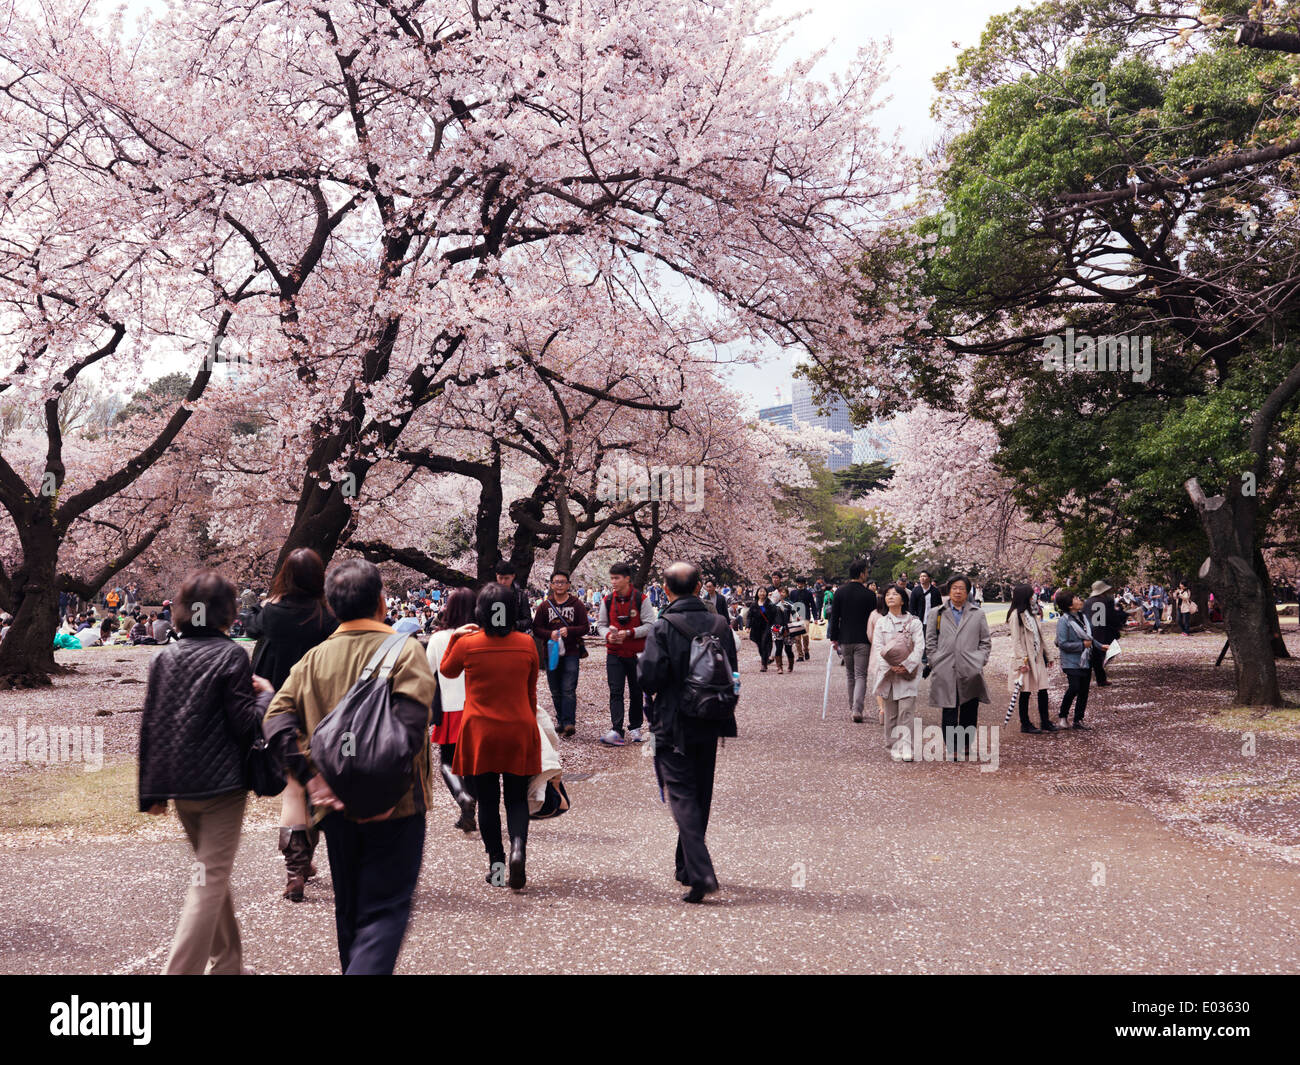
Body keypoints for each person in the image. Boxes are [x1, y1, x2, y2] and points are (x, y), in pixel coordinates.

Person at [264, 559, 437, 975]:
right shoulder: (406, 652)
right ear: (381, 602)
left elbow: (275, 717)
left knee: (350, 913)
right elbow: (411, 729)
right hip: (398, 807)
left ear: (332, 606)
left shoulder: (313, 660)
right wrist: (386, 792)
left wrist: (310, 777)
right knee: (385, 911)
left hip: (334, 805)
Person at [138, 569, 273, 975]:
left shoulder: (163, 657)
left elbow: (152, 723)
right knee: (208, 880)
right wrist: (266, 698)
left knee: (208, 874)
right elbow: (245, 725)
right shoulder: (231, 655)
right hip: (221, 788)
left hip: (180, 785)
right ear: (228, 613)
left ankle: (228, 965)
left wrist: (151, 792)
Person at [638, 561, 738, 903]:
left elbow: (649, 678)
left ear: (666, 590)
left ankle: (700, 870)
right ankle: (685, 866)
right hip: (711, 717)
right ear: (699, 588)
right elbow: (732, 671)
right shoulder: (720, 624)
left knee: (681, 794)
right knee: (701, 793)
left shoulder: (663, 627)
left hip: (673, 720)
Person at [246, 547, 339, 902]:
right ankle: (304, 862)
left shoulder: (270, 613)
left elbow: (249, 621)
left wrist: (270, 599)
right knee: (308, 782)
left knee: (294, 787)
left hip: (276, 705)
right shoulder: (326, 617)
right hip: (316, 706)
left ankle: (296, 870)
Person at [439, 583, 542, 891]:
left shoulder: (468, 644)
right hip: (518, 727)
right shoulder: (526, 644)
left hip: (480, 732)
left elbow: (446, 671)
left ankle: (497, 866)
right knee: (515, 798)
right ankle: (519, 849)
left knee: (487, 801)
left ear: (480, 612)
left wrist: (456, 636)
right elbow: (531, 690)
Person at [426, 587, 478, 834]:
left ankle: (462, 796)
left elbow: (427, 673)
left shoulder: (438, 639)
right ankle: (471, 807)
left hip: (450, 706)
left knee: (448, 760)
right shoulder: (483, 635)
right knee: (475, 763)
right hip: (479, 708)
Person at [925, 575, 991, 761]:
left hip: (970, 667)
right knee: (949, 707)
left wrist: (979, 661)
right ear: (949, 590)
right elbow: (930, 640)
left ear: (968, 591)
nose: (958, 591)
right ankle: (952, 746)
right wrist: (934, 659)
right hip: (945, 666)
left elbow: (985, 641)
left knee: (970, 707)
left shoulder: (977, 613)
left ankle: (965, 744)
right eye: (954, 587)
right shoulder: (937, 613)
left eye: (962, 588)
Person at [596, 561, 657, 745]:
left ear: (627, 579)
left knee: (636, 690)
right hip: (614, 652)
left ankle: (636, 726)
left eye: (617, 578)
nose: (613, 582)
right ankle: (616, 729)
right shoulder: (607, 600)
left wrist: (631, 632)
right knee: (615, 691)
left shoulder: (641, 599)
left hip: (637, 653)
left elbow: (650, 624)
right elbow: (601, 625)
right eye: (612, 578)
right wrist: (607, 635)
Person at [869, 585, 924, 760]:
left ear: (903, 599)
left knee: (906, 711)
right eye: (887, 594)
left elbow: (919, 647)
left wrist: (907, 665)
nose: (890, 597)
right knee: (891, 711)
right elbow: (878, 647)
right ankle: (892, 745)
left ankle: (907, 746)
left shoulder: (914, 622)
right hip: (889, 673)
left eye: (895, 594)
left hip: (908, 673)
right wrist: (891, 666)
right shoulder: (881, 623)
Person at [531, 569, 589, 738]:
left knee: (569, 688)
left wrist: (569, 631)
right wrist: (550, 634)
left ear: (568, 584)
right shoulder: (545, 606)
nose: (559, 585)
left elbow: (585, 627)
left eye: (563, 582)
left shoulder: (576, 604)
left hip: (571, 651)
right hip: (551, 652)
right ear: (551, 585)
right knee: (555, 689)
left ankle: (569, 722)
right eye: (556, 582)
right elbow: (536, 628)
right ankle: (561, 721)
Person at [828, 560, 878, 723]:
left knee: (850, 675)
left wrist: (834, 637)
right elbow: (873, 619)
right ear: (862, 573)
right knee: (861, 675)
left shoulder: (840, 592)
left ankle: (853, 707)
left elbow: (834, 617)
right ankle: (857, 709)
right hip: (863, 639)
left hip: (845, 638)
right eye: (866, 572)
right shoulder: (870, 595)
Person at [1007, 583, 1058, 735]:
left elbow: (1040, 637)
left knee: (1043, 690)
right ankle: (1025, 723)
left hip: (1037, 657)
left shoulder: (1032, 613)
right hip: (1027, 660)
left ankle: (1045, 721)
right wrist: (1022, 661)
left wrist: (1048, 655)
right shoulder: (1016, 615)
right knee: (1025, 692)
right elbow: (1016, 641)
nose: (1034, 597)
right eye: (1031, 594)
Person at [1054, 589, 1094, 729]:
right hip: (1071, 661)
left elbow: (1089, 638)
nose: (1079, 599)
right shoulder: (1064, 621)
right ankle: (1063, 716)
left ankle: (1078, 719)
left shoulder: (1082, 617)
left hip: (1086, 659)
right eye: (1076, 598)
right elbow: (1062, 643)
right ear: (1070, 604)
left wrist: (1102, 647)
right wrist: (1082, 645)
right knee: (1074, 687)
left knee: (1084, 690)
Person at [1083, 580, 1123, 686]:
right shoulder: (1105, 602)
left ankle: (1099, 678)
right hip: (1103, 632)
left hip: (1090, 631)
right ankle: (1099, 679)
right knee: (1097, 657)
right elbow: (1111, 617)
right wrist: (1118, 626)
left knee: (1094, 656)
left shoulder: (1087, 602)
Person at [493, 561, 534, 634]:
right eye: (500, 578)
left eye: (506, 578)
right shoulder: (490, 594)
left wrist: (515, 625)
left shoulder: (520, 596)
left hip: (514, 635)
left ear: (513, 576)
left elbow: (528, 621)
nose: (503, 582)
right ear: (496, 575)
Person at [746, 586, 774, 672]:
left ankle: (763, 664)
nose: (762, 593)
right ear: (757, 593)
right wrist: (748, 626)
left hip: (767, 626)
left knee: (764, 643)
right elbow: (749, 616)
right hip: (756, 627)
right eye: (760, 591)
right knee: (760, 645)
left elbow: (773, 615)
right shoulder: (754, 604)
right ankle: (764, 658)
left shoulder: (769, 604)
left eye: (763, 591)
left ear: (766, 593)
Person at [788, 577, 815, 661]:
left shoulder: (808, 593)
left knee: (805, 635)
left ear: (804, 583)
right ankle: (800, 655)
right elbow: (790, 604)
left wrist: (816, 617)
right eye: (798, 583)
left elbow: (813, 605)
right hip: (795, 616)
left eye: (801, 583)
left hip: (806, 615)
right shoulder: (793, 593)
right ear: (796, 583)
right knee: (797, 637)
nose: (800, 584)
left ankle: (806, 650)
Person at [769, 587, 795, 673]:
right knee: (778, 648)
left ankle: (790, 665)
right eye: (780, 592)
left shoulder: (790, 604)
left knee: (788, 649)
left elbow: (796, 616)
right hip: (777, 629)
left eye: (783, 592)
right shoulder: (773, 604)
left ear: (787, 594)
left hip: (788, 629)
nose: (781, 594)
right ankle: (779, 667)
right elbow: (765, 611)